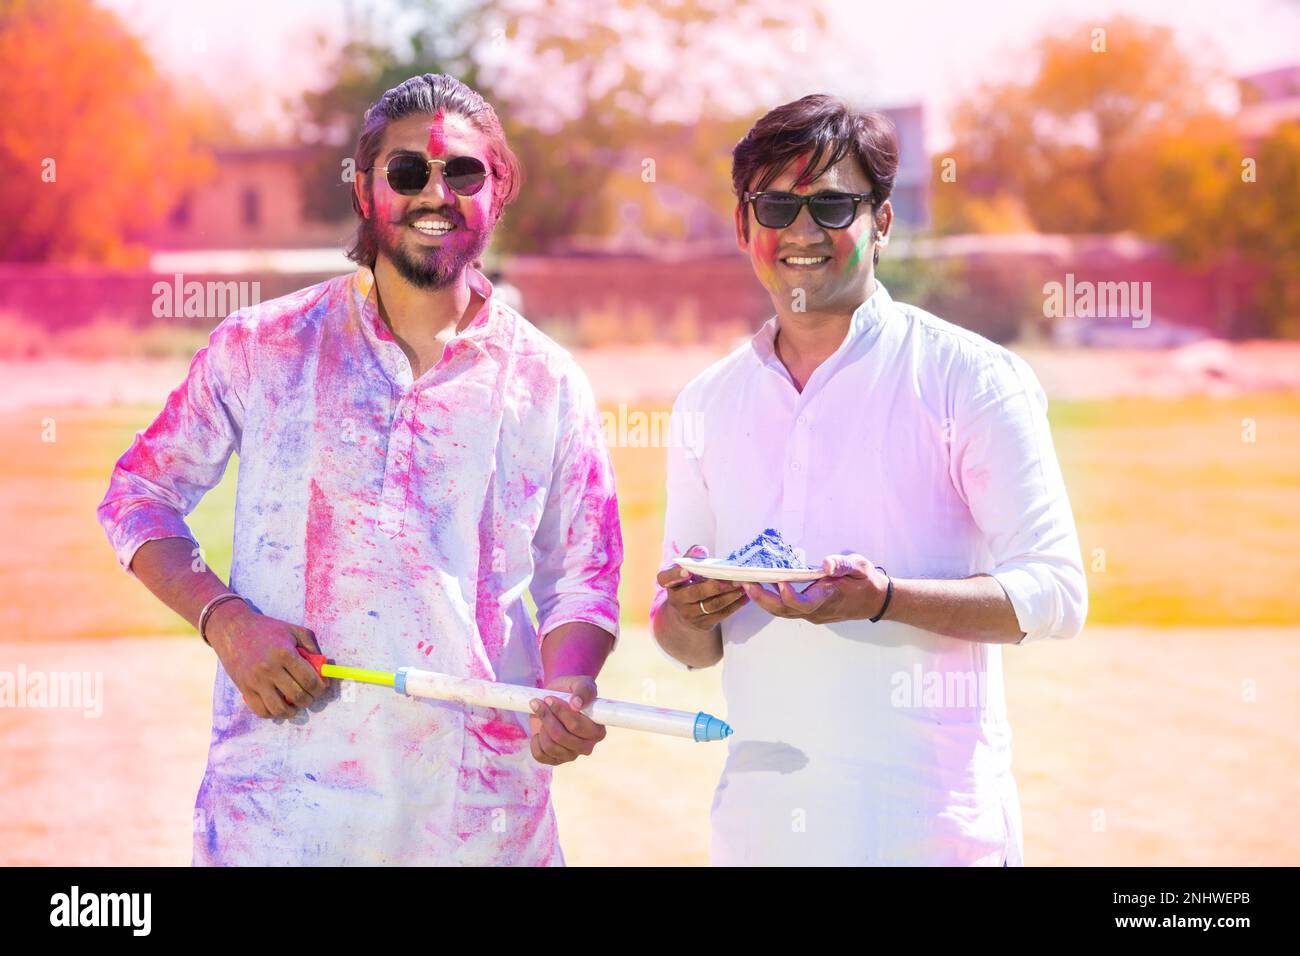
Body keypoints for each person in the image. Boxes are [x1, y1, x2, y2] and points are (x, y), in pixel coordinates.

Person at [97, 73, 622, 865]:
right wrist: (226, 621)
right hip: (280, 816)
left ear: (500, 187)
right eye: (408, 172)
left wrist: (571, 684)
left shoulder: (549, 380)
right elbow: (137, 494)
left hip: (478, 820)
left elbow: (584, 579)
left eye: (463, 172)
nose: (434, 193)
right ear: (366, 188)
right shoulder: (261, 345)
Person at [651, 94, 1087, 866]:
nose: (802, 232)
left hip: (927, 830)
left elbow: (1055, 595)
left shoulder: (970, 378)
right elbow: (687, 645)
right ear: (743, 224)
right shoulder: (706, 402)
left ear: (881, 221)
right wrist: (691, 610)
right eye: (777, 205)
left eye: (833, 205)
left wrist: (883, 599)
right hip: (759, 831)